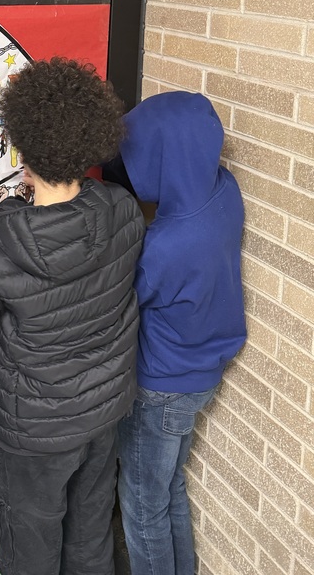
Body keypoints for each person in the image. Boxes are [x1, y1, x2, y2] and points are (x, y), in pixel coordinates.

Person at [0, 57, 145, 575]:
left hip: (34, 435)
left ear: (20, 146)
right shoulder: (123, 211)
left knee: (29, 555)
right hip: (104, 415)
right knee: (90, 543)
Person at [105, 91, 246, 575]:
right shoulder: (224, 193)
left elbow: (124, 299)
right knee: (169, 490)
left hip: (160, 387)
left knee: (143, 504)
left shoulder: (166, 245)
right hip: (203, 372)